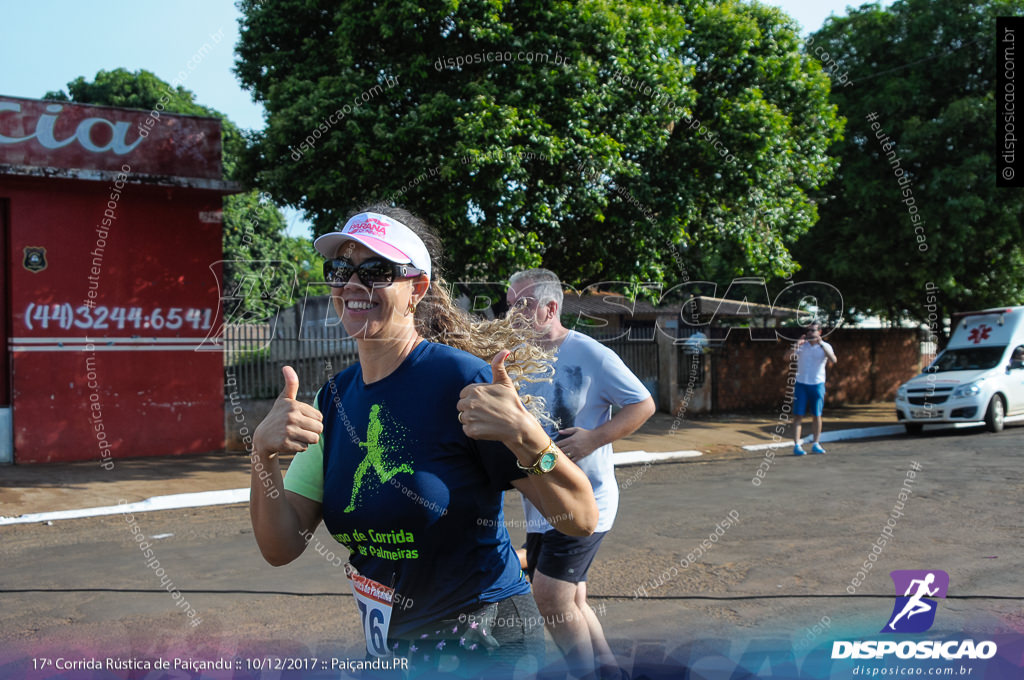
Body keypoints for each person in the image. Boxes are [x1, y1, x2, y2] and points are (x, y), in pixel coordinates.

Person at [249, 206, 598, 678]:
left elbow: (578, 518)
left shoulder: (464, 383)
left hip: (485, 638)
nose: (353, 283)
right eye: (339, 269)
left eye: (375, 271)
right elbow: (281, 545)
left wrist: (527, 435)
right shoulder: (333, 398)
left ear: (416, 290)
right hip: (395, 648)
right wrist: (262, 456)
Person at [506, 269, 656, 680]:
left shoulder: (591, 353)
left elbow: (642, 405)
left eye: (521, 306)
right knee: (574, 599)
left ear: (551, 308)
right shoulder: (519, 356)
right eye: (508, 305)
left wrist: (592, 439)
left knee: (550, 598)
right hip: (542, 501)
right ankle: (608, 670)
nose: (511, 315)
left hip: (586, 501)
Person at [789, 322, 838, 455]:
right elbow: (786, 357)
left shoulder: (825, 346)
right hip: (801, 384)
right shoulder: (802, 346)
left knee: (817, 414)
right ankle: (797, 445)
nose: (810, 333)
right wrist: (796, 345)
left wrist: (821, 344)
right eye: (808, 331)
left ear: (819, 332)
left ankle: (816, 443)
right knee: (798, 415)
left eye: (813, 331)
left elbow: (833, 360)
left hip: (817, 384)